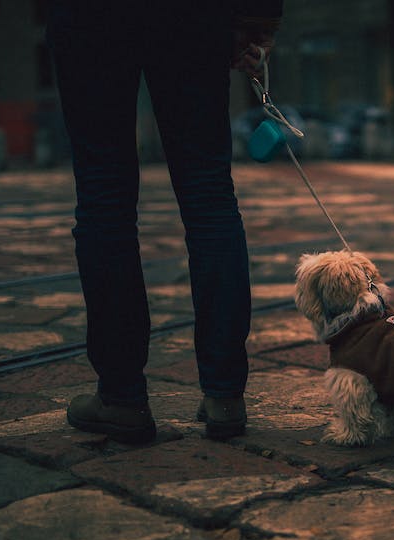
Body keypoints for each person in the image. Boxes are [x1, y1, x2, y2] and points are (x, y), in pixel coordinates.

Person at [47, 1, 283, 443]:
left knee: (104, 194)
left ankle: (121, 398)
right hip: (191, 15)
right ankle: (225, 394)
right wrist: (258, 19)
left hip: (89, 17)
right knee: (209, 192)